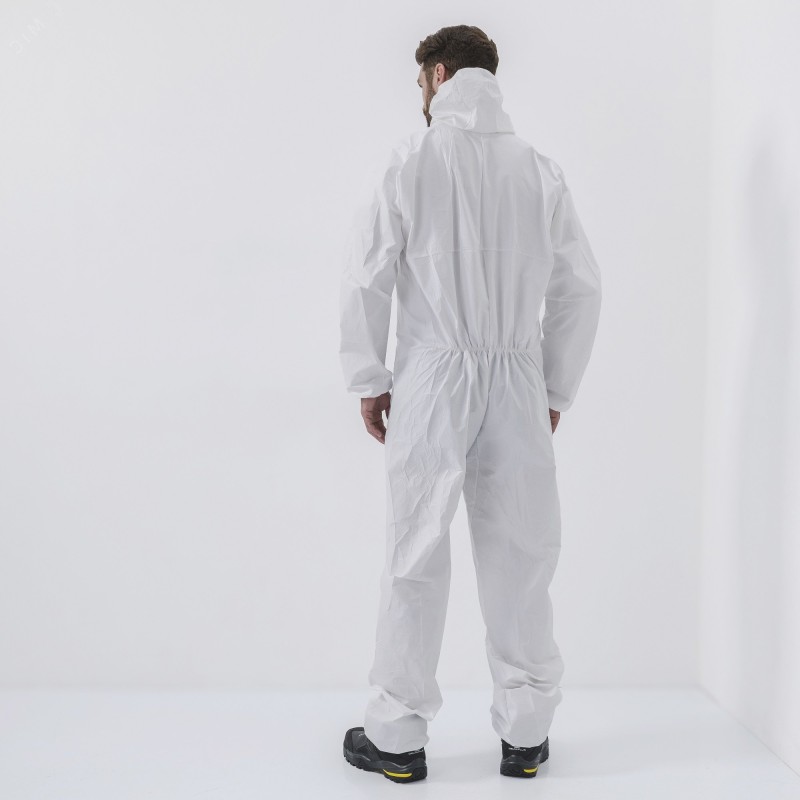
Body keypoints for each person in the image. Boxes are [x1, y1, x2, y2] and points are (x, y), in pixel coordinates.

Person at [339, 25, 602, 783]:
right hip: (518, 378)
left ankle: (397, 738)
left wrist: (370, 377)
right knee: (522, 552)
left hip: (431, 376)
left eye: (421, 80)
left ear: (439, 73)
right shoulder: (538, 170)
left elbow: (365, 276)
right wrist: (552, 387)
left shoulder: (412, 160)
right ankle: (526, 734)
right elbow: (581, 289)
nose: (420, 93)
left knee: (415, 552)